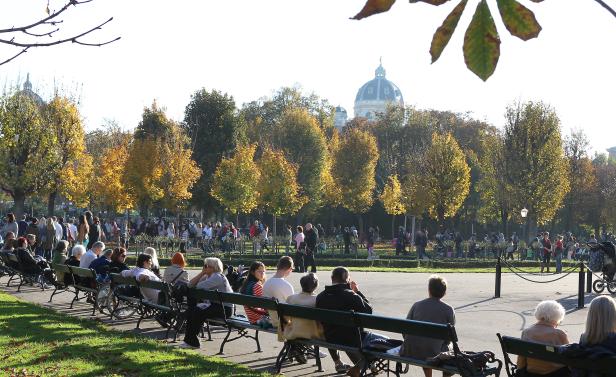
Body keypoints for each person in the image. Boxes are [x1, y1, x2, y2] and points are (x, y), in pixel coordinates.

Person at [285, 273, 351, 373]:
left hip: (293, 331)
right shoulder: (317, 300)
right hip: (312, 334)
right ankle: (338, 363)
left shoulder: (291, 298)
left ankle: (295, 347)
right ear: (316, 286)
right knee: (329, 331)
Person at [316, 266, 374, 377]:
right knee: (385, 340)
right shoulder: (350, 295)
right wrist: (357, 292)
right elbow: (369, 311)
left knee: (343, 331)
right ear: (346, 278)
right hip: (352, 339)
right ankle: (363, 365)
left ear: (332, 278)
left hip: (330, 336)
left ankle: (360, 366)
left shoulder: (320, 297)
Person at [400, 275, 456, 377]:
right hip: (434, 352)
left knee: (425, 343)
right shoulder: (448, 309)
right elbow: (450, 336)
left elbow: (405, 329)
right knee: (449, 351)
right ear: (444, 292)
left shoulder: (416, 305)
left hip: (411, 350)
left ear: (429, 290)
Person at [179, 257, 234, 349]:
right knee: (192, 311)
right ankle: (189, 341)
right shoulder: (208, 276)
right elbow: (190, 284)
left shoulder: (217, 277)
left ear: (213, 267)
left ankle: (193, 342)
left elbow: (199, 286)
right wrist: (202, 274)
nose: (204, 268)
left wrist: (202, 274)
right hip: (215, 306)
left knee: (197, 312)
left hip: (225, 309)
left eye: (206, 266)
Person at [516, 300, 570, 377]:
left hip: (531, 372)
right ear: (558, 317)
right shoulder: (560, 334)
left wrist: (519, 371)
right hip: (556, 373)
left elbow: (521, 358)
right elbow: (568, 358)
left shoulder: (526, 332)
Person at [263, 256, 295, 328]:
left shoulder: (266, 284)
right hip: (285, 322)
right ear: (289, 269)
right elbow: (293, 306)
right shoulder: (287, 286)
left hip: (273, 320)